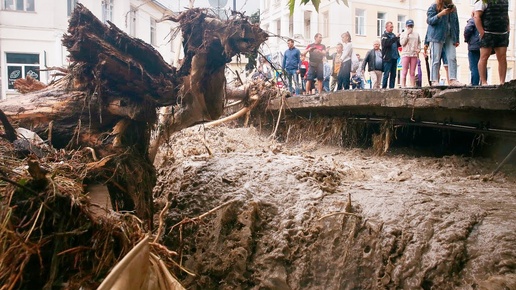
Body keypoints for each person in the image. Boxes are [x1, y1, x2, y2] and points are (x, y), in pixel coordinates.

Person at [426, 0, 464, 87]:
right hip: (437, 35)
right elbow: (429, 21)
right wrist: (440, 14)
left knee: (452, 57)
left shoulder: (453, 8)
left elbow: (456, 23)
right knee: (436, 58)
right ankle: (434, 80)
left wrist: (457, 38)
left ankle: (453, 79)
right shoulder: (434, 6)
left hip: (450, 36)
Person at [474, 0, 510, 85]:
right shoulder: (483, 1)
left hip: (502, 33)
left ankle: (502, 82)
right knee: (484, 57)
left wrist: (508, 28)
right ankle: (484, 81)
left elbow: (505, 14)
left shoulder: (505, 1)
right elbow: (477, 16)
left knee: (502, 58)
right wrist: (481, 32)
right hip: (488, 33)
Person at [400, 19, 421, 87]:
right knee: (404, 71)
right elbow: (402, 43)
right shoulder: (403, 34)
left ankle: (412, 85)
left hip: (413, 54)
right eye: (409, 26)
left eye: (411, 26)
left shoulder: (416, 34)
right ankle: (403, 85)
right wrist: (407, 34)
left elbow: (419, 43)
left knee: (412, 72)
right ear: (406, 26)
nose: (410, 27)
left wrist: (419, 49)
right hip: (406, 53)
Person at [381, 21, 401, 88]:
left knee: (393, 75)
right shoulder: (384, 36)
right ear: (386, 27)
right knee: (386, 74)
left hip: (394, 58)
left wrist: (400, 38)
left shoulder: (393, 35)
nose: (392, 28)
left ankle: (391, 88)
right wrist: (395, 38)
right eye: (391, 27)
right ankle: (384, 88)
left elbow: (398, 44)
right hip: (387, 58)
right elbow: (387, 43)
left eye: (392, 27)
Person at [464, 11, 482, 86]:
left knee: (474, 66)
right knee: (483, 64)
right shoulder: (484, 20)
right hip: (483, 45)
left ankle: (475, 84)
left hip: (473, 46)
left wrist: (467, 39)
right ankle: (484, 83)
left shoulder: (473, 19)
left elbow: (467, 29)